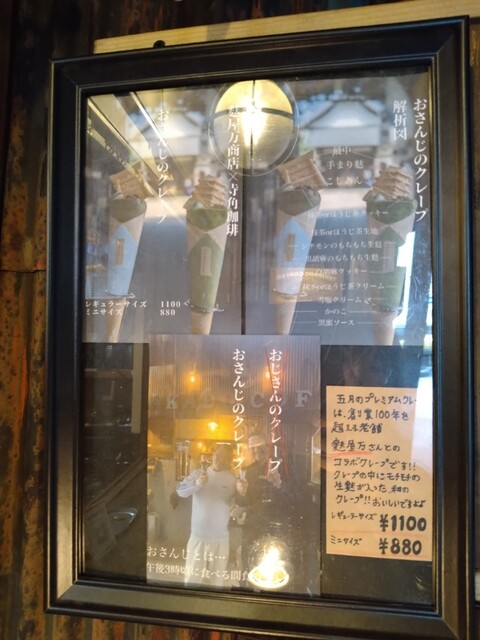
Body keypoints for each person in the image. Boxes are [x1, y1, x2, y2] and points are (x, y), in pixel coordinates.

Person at [235, 431, 296, 583]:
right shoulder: (248, 470)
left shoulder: (281, 467)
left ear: (268, 446)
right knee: (248, 568)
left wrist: (279, 485)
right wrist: (241, 493)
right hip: (253, 526)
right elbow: (244, 502)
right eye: (252, 447)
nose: (256, 450)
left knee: (276, 572)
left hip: (276, 527)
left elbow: (295, 498)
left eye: (259, 446)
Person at [176, 444, 237, 587]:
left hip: (221, 538)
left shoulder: (232, 480)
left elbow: (237, 504)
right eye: (218, 454)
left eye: (225, 457)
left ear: (228, 460)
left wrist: (242, 493)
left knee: (217, 581)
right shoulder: (198, 474)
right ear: (212, 455)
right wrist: (198, 483)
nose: (220, 459)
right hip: (199, 536)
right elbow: (180, 490)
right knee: (192, 579)